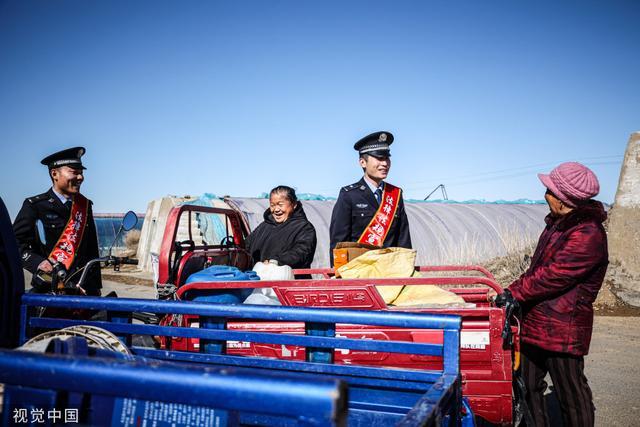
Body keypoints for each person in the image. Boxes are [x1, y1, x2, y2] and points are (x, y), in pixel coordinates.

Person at [494, 162, 608, 427]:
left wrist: (515, 292)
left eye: (549, 190)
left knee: (571, 393)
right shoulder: (558, 224)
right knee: (528, 386)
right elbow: (537, 269)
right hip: (537, 322)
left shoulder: (587, 233)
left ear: (563, 199)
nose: (545, 194)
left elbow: (552, 275)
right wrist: (511, 290)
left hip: (562, 327)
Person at [13, 147, 102, 296]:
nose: (80, 177)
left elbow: (92, 251)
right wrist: (38, 263)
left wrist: (95, 288)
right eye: (74, 172)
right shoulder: (35, 206)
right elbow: (14, 243)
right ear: (55, 174)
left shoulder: (85, 206)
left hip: (82, 290)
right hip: (50, 289)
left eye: (81, 173)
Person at [329, 131, 411, 264]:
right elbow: (339, 242)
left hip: (389, 271)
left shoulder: (395, 194)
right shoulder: (349, 195)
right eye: (379, 158)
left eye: (387, 158)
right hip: (359, 272)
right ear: (362, 162)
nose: (385, 163)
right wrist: (339, 277)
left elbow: (403, 239)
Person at [245, 185, 317, 269]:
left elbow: (301, 253)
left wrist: (275, 262)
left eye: (280, 204)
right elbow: (247, 246)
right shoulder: (264, 226)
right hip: (260, 279)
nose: (276, 209)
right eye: (272, 205)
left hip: (290, 280)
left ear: (294, 204)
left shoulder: (304, 228)